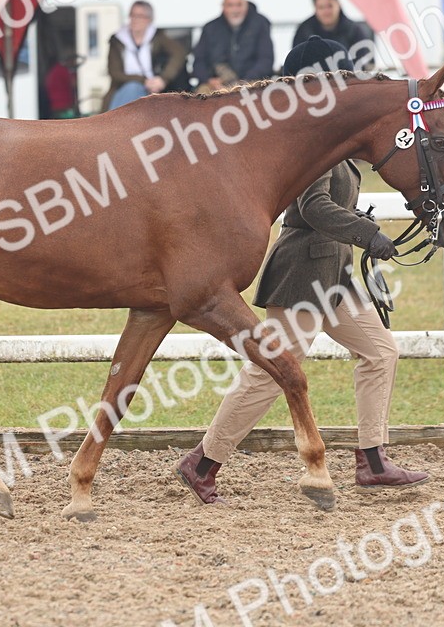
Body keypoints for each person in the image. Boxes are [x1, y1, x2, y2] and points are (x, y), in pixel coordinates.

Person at [175, 36, 428, 505]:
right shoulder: (307, 138)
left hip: (334, 273)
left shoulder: (331, 134)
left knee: (380, 352)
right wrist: (367, 233)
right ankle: (203, 462)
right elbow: (313, 207)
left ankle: (372, 460)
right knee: (270, 372)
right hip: (305, 270)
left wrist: (359, 229)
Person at [103, 0, 186, 111]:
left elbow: (178, 53)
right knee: (133, 88)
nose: (135, 19)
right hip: (124, 88)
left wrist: (163, 79)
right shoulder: (117, 40)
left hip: (154, 88)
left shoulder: (158, 37)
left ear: (149, 19)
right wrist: (143, 81)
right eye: (132, 15)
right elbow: (115, 73)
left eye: (140, 16)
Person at [192, 0, 274, 93]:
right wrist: (209, 80)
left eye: (239, 5)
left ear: (246, 5)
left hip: (252, 83)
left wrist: (243, 83)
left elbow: (266, 60)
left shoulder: (260, 24)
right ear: (223, 6)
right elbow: (199, 62)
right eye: (230, 5)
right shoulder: (210, 28)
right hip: (217, 85)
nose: (235, 10)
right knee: (202, 95)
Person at [293, 0, 374, 70]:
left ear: (339, 5)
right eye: (321, 7)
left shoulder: (355, 31)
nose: (326, 11)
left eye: (330, 6)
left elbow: (365, 65)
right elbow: (296, 63)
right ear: (315, 9)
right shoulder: (304, 31)